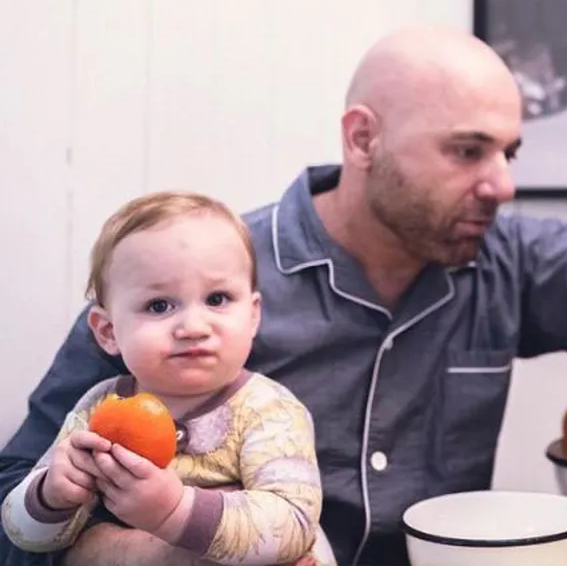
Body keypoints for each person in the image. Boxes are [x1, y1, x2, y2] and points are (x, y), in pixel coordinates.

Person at [0, 30, 567, 566]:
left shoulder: (500, 261)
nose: (501, 183)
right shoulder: (199, 293)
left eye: (507, 152)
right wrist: (129, 547)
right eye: (467, 152)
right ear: (363, 138)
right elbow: (17, 489)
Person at [0, 192, 334, 565]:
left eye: (217, 299)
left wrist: (174, 511)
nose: (193, 327)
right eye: (159, 305)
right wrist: (50, 496)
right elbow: (21, 533)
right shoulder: (99, 408)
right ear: (108, 332)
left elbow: (294, 523)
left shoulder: (268, 410)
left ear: (253, 315)